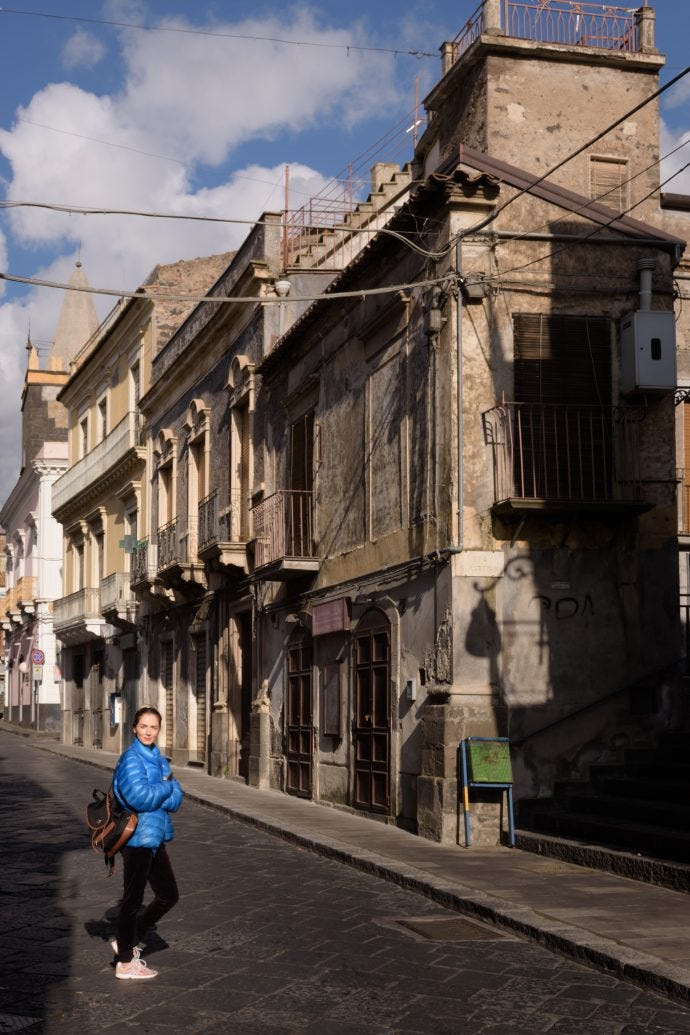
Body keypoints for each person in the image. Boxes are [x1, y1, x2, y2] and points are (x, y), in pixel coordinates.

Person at [110, 706, 183, 980]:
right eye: (144, 726)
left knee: (168, 895)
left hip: (155, 837)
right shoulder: (131, 759)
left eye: (154, 727)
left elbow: (177, 799)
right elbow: (139, 797)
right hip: (137, 839)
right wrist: (165, 787)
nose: (149, 732)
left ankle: (127, 940)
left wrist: (163, 791)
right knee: (133, 900)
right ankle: (125, 964)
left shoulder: (160, 760)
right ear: (134, 728)